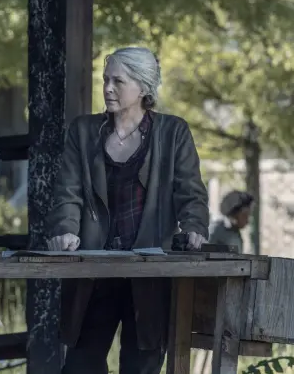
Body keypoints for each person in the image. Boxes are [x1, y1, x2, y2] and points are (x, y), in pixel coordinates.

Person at [45, 46, 210, 374]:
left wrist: (194, 227)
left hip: (149, 274)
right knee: (79, 367)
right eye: (106, 80)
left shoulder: (173, 132)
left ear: (144, 87)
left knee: (141, 366)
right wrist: (65, 229)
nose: (107, 88)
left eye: (118, 81)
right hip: (94, 272)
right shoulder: (84, 131)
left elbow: (190, 192)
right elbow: (67, 192)